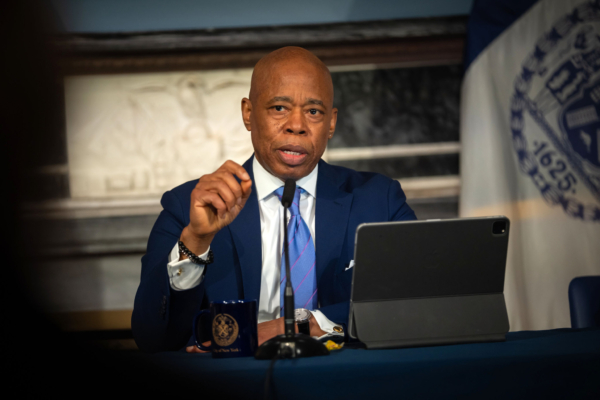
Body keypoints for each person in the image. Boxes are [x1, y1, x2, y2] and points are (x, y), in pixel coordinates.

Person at [132, 46, 416, 353]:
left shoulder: (379, 201)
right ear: (248, 113)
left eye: (314, 112)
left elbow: (417, 301)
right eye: (279, 108)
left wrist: (301, 325)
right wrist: (196, 241)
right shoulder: (189, 206)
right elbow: (153, 338)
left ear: (331, 123)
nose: (297, 125)